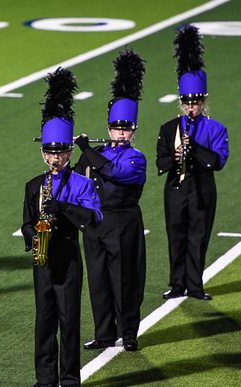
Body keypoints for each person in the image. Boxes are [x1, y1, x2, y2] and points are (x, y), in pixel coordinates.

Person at [22, 68, 102, 387]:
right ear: (43, 153)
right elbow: (26, 223)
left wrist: (64, 209)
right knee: (44, 323)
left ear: (70, 152)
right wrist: (34, 237)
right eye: (50, 152)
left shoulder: (82, 182)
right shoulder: (33, 186)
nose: (55, 158)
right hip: (42, 262)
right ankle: (44, 381)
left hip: (68, 259)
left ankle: (69, 380)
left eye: (61, 152)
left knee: (69, 325)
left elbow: (94, 218)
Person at [74, 49, 147, 352]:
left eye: (125, 129)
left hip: (122, 221)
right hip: (96, 223)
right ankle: (104, 333)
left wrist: (84, 148)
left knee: (123, 280)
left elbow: (114, 172)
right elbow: (78, 179)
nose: (120, 133)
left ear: (133, 131)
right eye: (116, 128)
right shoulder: (98, 152)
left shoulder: (136, 157)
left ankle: (128, 333)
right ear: (109, 129)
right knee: (99, 281)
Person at [156, 25, 229, 301]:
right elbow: (160, 161)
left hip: (202, 187)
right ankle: (177, 284)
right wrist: (174, 158)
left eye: (196, 101)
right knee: (176, 235)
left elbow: (218, 161)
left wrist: (194, 148)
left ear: (203, 101)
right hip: (175, 187)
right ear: (181, 101)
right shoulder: (169, 127)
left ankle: (195, 285)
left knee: (198, 235)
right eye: (187, 101)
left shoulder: (215, 129)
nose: (191, 106)